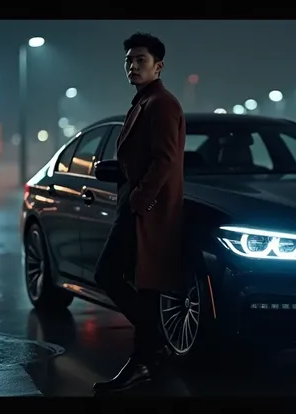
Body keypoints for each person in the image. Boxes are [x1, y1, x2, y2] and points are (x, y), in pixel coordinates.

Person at [92, 32, 186, 393]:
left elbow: (165, 160)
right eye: (129, 60)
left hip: (145, 210)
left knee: (109, 274)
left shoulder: (161, 104)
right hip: (138, 206)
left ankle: (152, 346)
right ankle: (146, 357)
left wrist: (139, 200)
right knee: (142, 287)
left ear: (159, 66)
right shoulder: (145, 102)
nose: (132, 65)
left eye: (141, 59)